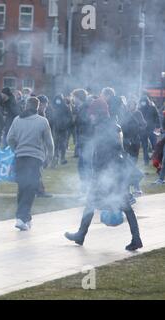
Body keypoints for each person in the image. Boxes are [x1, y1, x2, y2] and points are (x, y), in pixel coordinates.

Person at [65, 98, 143, 252]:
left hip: (107, 173)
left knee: (98, 204)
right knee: (121, 205)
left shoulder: (102, 128)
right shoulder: (113, 125)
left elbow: (104, 153)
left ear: (99, 113)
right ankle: (135, 238)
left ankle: (81, 235)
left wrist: (98, 174)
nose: (91, 116)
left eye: (93, 114)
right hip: (115, 172)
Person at [7, 97, 54, 231]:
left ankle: (25, 218)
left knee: (22, 187)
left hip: (20, 157)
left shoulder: (17, 120)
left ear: (26, 106)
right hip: (35, 158)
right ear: (38, 107)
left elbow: (9, 138)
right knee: (31, 188)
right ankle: (21, 217)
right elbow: (49, 143)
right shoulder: (42, 121)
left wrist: (15, 149)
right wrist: (49, 158)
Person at [72, 89, 93, 195]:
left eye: (74, 97)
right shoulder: (81, 108)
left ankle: (87, 191)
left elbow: (86, 125)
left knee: (85, 166)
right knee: (82, 166)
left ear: (78, 97)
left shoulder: (85, 108)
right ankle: (85, 190)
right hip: (83, 141)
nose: (73, 99)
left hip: (86, 142)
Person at [51, 94, 72, 167]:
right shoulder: (54, 107)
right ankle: (55, 159)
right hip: (56, 128)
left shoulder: (66, 108)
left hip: (63, 128)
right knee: (56, 144)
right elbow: (51, 117)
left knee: (62, 144)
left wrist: (66, 124)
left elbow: (70, 118)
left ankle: (61, 158)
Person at [139, 95, 160, 166]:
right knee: (145, 146)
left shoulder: (152, 108)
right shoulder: (140, 109)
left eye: (144, 101)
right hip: (143, 130)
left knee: (154, 145)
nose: (143, 103)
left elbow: (157, 117)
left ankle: (156, 159)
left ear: (147, 101)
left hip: (151, 129)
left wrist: (158, 126)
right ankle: (146, 161)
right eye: (142, 101)